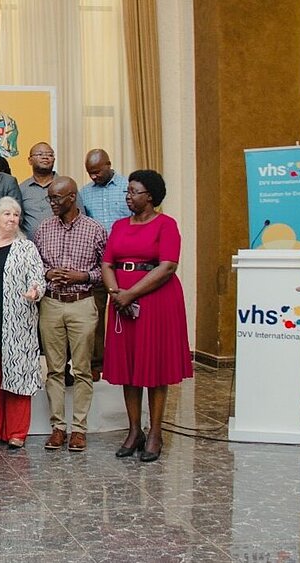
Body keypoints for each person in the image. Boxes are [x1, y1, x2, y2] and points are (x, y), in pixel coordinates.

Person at [102, 170, 193, 463]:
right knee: (129, 368)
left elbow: (167, 267)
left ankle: (155, 432)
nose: (127, 196)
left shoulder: (166, 225)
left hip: (156, 300)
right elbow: (107, 263)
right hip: (120, 301)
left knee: (153, 368)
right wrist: (117, 293)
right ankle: (134, 431)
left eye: (133, 191)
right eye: (127, 191)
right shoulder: (118, 226)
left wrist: (131, 294)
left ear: (150, 196)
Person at [34, 176, 107, 452]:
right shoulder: (43, 229)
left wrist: (82, 275)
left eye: (56, 198)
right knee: (54, 369)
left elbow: (105, 269)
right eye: (50, 198)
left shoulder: (95, 230)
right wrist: (47, 273)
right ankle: (57, 427)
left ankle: (79, 429)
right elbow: (35, 264)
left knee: (82, 369)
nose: (51, 202)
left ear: (72, 197)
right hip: (51, 304)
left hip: (82, 303)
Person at [0, 197, 45, 449]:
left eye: (16, 214)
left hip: (18, 323)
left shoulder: (27, 247)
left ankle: (16, 432)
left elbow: (38, 279)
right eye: (7, 214)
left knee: (17, 376)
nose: (12, 218)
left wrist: (34, 291)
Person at [80, 148, 131, 380]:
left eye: (97, 171)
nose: (93, 177)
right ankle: (97, 364)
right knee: (97, 313)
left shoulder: (128, 187)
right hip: (99, 263)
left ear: (109, 164)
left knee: (129, 310)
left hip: (128, 261)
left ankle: (126, 359)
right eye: (90, 173)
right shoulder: (85, 193)